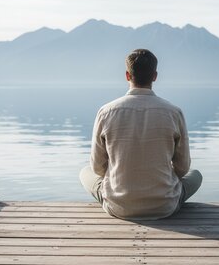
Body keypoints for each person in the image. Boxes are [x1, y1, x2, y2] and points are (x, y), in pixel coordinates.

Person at [79, 49, 202, 219]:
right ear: (155, 76)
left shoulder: (106, 112)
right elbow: (182, 169)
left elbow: (98, 168)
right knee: (196, 175)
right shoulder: (174, 112)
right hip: (165, 205)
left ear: (127, 76)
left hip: (118, 206)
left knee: (85, 172)